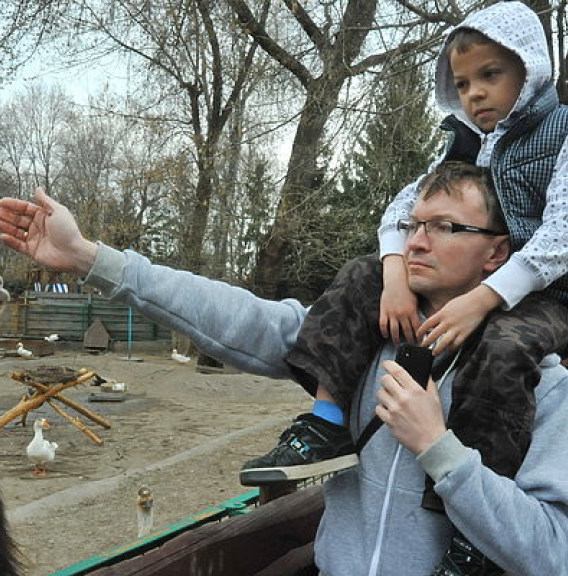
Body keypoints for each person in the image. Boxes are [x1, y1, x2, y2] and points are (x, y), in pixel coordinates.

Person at [0, 161, 568, 575]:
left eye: (444, 226)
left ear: (499, 253)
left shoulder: (542, 382)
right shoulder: (359, 342)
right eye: (413, 224)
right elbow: (238, 316)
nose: (416, 241)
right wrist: (91, 258)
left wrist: (440, 450)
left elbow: (553, 548)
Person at [243, 0, 568, 510]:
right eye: (462, 84)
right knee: (360, 274)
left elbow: (562, 235)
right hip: (476, 278)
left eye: (490, 74)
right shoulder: (469, 144)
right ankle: (327, 422)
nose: (476, 93)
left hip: (546, 293)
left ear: (531, 69)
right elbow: (402, 207)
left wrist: (485, 298)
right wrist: (394, 273)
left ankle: (470, 505)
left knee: (504, 350)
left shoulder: (562, 132)